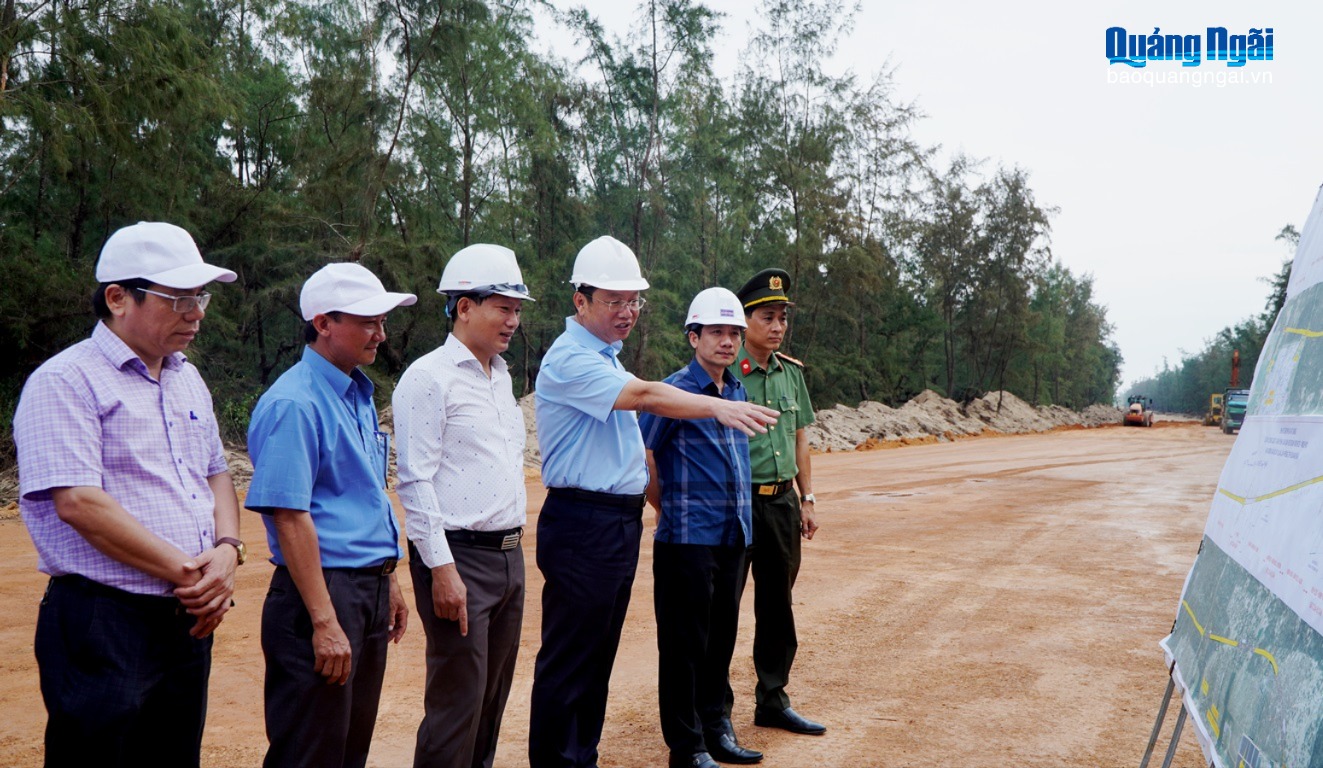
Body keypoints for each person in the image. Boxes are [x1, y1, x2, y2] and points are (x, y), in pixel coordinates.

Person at [528, 236, 778, 768]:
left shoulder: (607, 359)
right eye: (614, 301)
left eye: (633, 301)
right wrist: (715, 407)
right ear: (580, 301)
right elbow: (644, 401)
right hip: (583, 520)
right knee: (573, 659)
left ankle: (581, 758)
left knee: (596, 659)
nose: (627, 312)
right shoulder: (571, 359)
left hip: (615, 523)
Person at [13, 221, 244, 768]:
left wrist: (228, 549)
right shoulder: (65, 380)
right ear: (118, 297)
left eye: (200, 298)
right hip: (104, 619)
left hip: (186, 617)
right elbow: (79, 502)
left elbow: (215, 473)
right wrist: (192, 574)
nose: (196, 313)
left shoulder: (187, 378)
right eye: (179, 299)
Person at [245, 262, 415, 768]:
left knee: (347, 749)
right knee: (310, 750)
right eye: (368, 322)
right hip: (321, 593)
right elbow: (288, 516)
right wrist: (324, 620)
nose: (381, 334)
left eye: (383, 321)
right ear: (323, 323)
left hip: (363, 589)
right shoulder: (294, 403)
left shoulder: (354, 393)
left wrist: (388, 580)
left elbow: (361, 495)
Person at [394, 244, 535, 768]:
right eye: (503, 307)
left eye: (517, 310)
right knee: (457, 702)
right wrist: (442, 569)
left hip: (508, 556)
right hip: (458, 559)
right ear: (464, 307)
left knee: (491, 699)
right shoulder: (428, 377)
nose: (513, 320)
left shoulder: (500, 376)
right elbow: (415, 481)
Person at [641, 288, 765, 768]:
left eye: (734, 332)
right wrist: (668, 508)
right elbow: (647, 457)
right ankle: (687, 746)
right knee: (683, 647)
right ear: (694, 337)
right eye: (716, 332)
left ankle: (717, 730)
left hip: (733, 537)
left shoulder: (736, 389)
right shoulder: (672, 392)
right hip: (687, 540)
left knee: (720, 642)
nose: (727, 341)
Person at [729, 268, 825, 736]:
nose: (778, 326)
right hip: (736, 506)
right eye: (767, 317)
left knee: (777, 608)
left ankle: (772, 699)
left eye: (782, 318)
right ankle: (714, 711)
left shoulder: (791, 373)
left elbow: (800, 436)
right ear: (745, 320)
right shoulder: (725, 371)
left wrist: (807, 498)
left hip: (782, 503)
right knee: (721, 608)